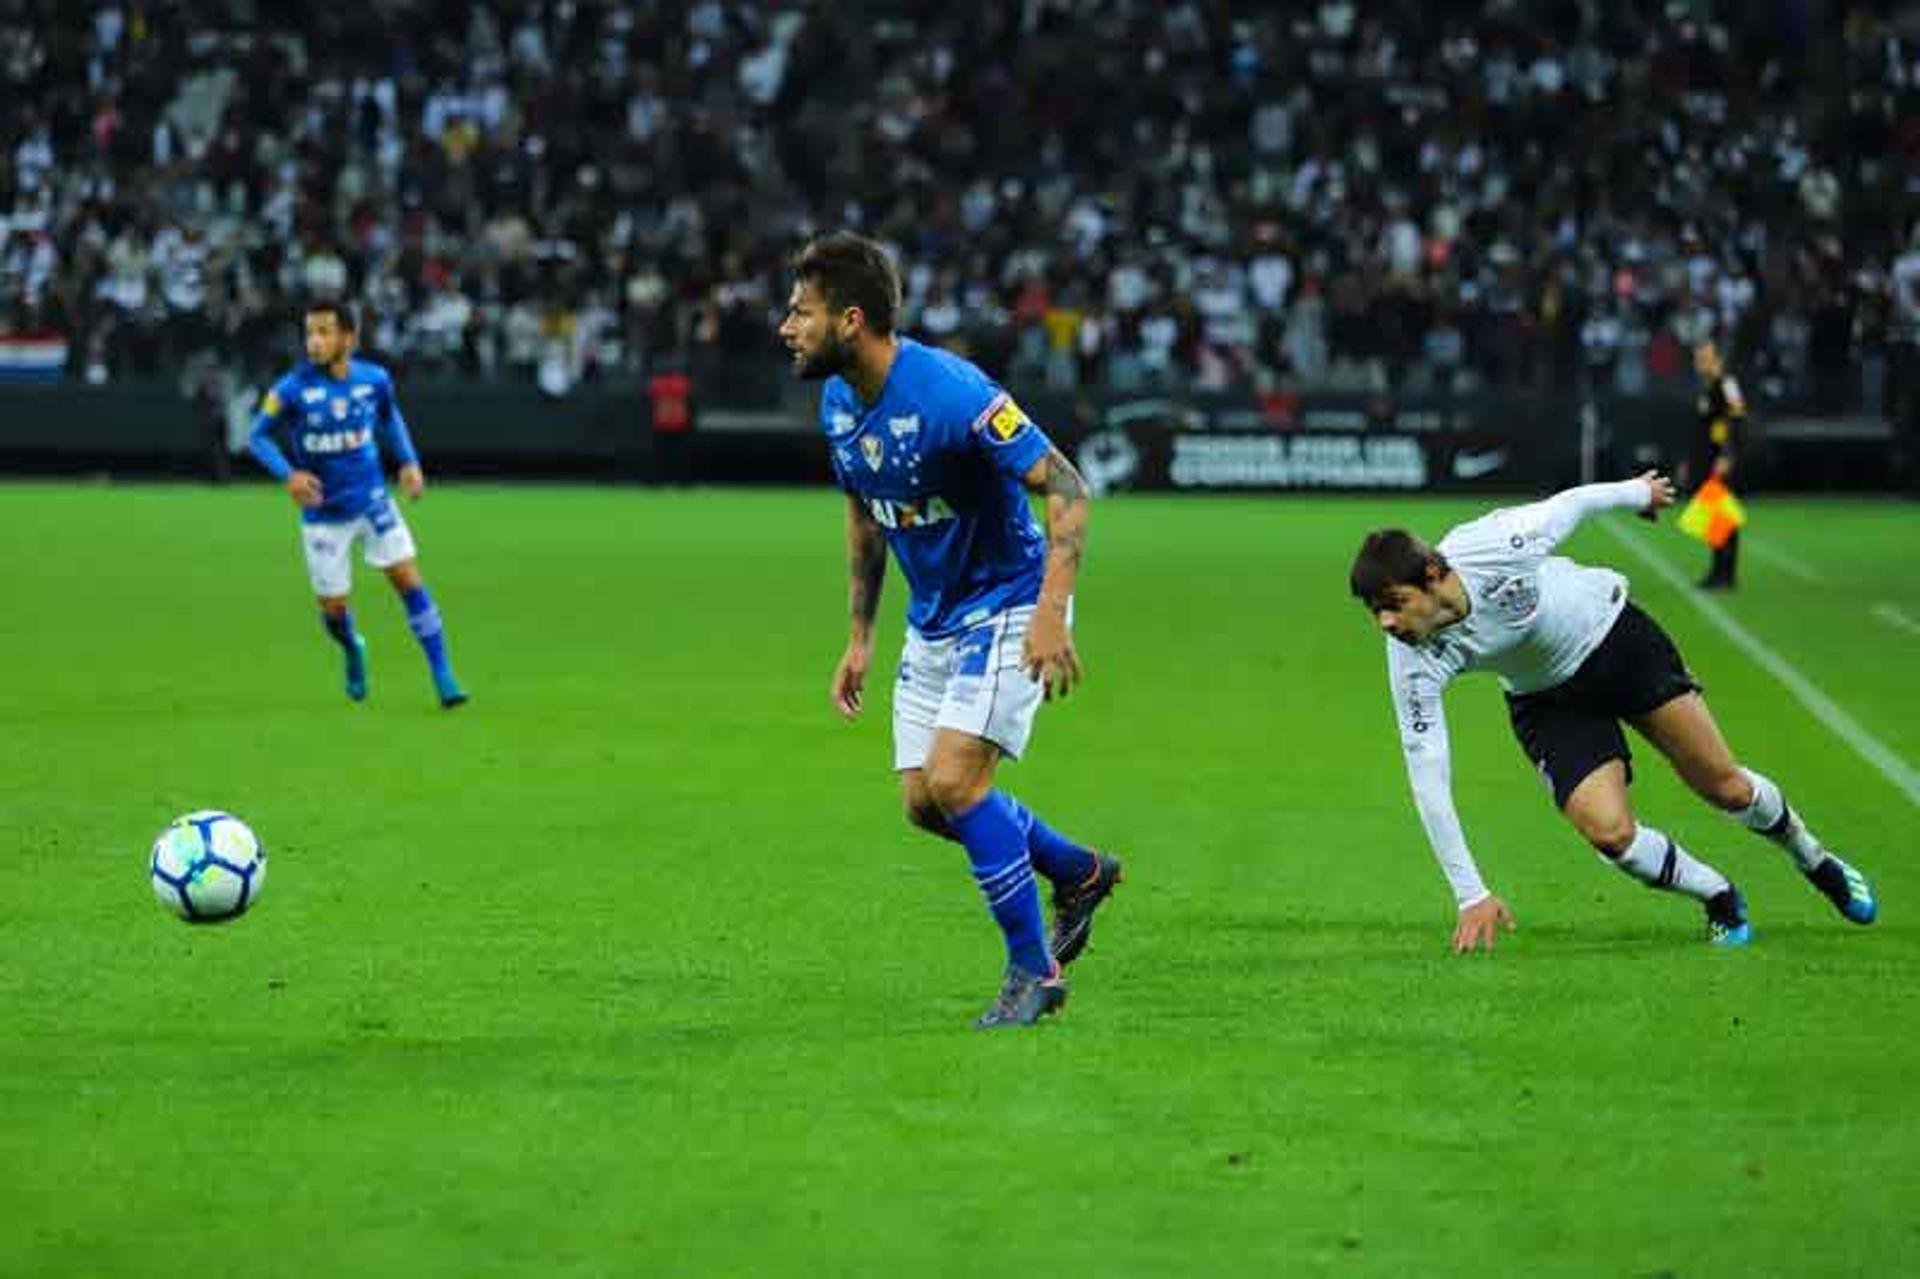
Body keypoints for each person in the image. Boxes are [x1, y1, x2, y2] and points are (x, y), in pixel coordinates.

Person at [778, 232, 1122, 1028]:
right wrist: (860, 634)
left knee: (957, 780)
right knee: (924, 804)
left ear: (852, 319)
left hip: (1009, 599)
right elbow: (866, 510)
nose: (785, 327)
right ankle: (1078, 872)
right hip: (933, 618)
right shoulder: (837, 401)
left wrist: (1049, 612)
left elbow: (1067, 484)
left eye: (802, 311)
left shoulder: (952, 393)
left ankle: (1033, 972)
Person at [1348, 473, 1876, 952]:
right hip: (1546, 698)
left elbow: (1571, 503)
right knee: (1608, 832)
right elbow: (1428, 775)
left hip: (1614, 640)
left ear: (1435, 573)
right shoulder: (1411, 659)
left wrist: (1639, 493)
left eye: (1394, 603)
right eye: (1376, 611)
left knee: (1726, 787)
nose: (1386, 623)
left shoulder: (1494, 544)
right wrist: (1471, 894)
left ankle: (1814, 859)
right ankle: (1718, 895)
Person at [247, 300, 469, 709]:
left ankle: (443, 675)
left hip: (373, 502)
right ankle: (352, 647)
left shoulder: (374, 380)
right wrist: (289, 475)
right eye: (309, 332)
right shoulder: (290, 389)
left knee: (409, 580)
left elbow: (389, 418)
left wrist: (408, 462)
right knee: (333, 611)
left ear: (348, 338)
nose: (313, 342)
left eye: (324, 332)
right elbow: (256, 435)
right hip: (324, 515)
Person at [1686, 340, 1746, 589]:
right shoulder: (1708, 387)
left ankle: (1725, 573)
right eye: (1698, 359)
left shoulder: (1728, 384)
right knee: (1713, 518)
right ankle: (1719, 570)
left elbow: (1737, 420)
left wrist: (1728, 455)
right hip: (1708, 459)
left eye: (1705, 359)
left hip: (1721, 460)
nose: (1700, 364)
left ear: (1717, 359)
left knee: (1723, 519)